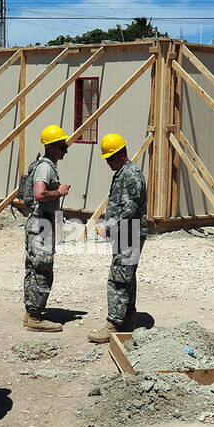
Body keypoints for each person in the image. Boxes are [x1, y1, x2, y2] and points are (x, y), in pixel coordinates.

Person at [88, 133, 147, 343]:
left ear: (121, 155)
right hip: (126, 234)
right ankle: (128, 320)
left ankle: (114, 324)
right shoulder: (123, 172)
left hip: (129, 235)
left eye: (110, 158)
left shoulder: (130, 175)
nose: (108, 163)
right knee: (126, 277)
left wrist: (109, 228)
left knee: (118, 280)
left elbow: (129, 208)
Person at [23, 124, 72, 332]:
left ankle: (31, 312)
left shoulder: (46, 165)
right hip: (41, 224)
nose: (65, 149)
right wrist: (60, 193)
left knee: (34, 268)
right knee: (43, 269)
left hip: (42, 222)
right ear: (51, 147)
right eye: (61, 146)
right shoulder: (45, 167)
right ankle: (35, 317)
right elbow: (39, 194)